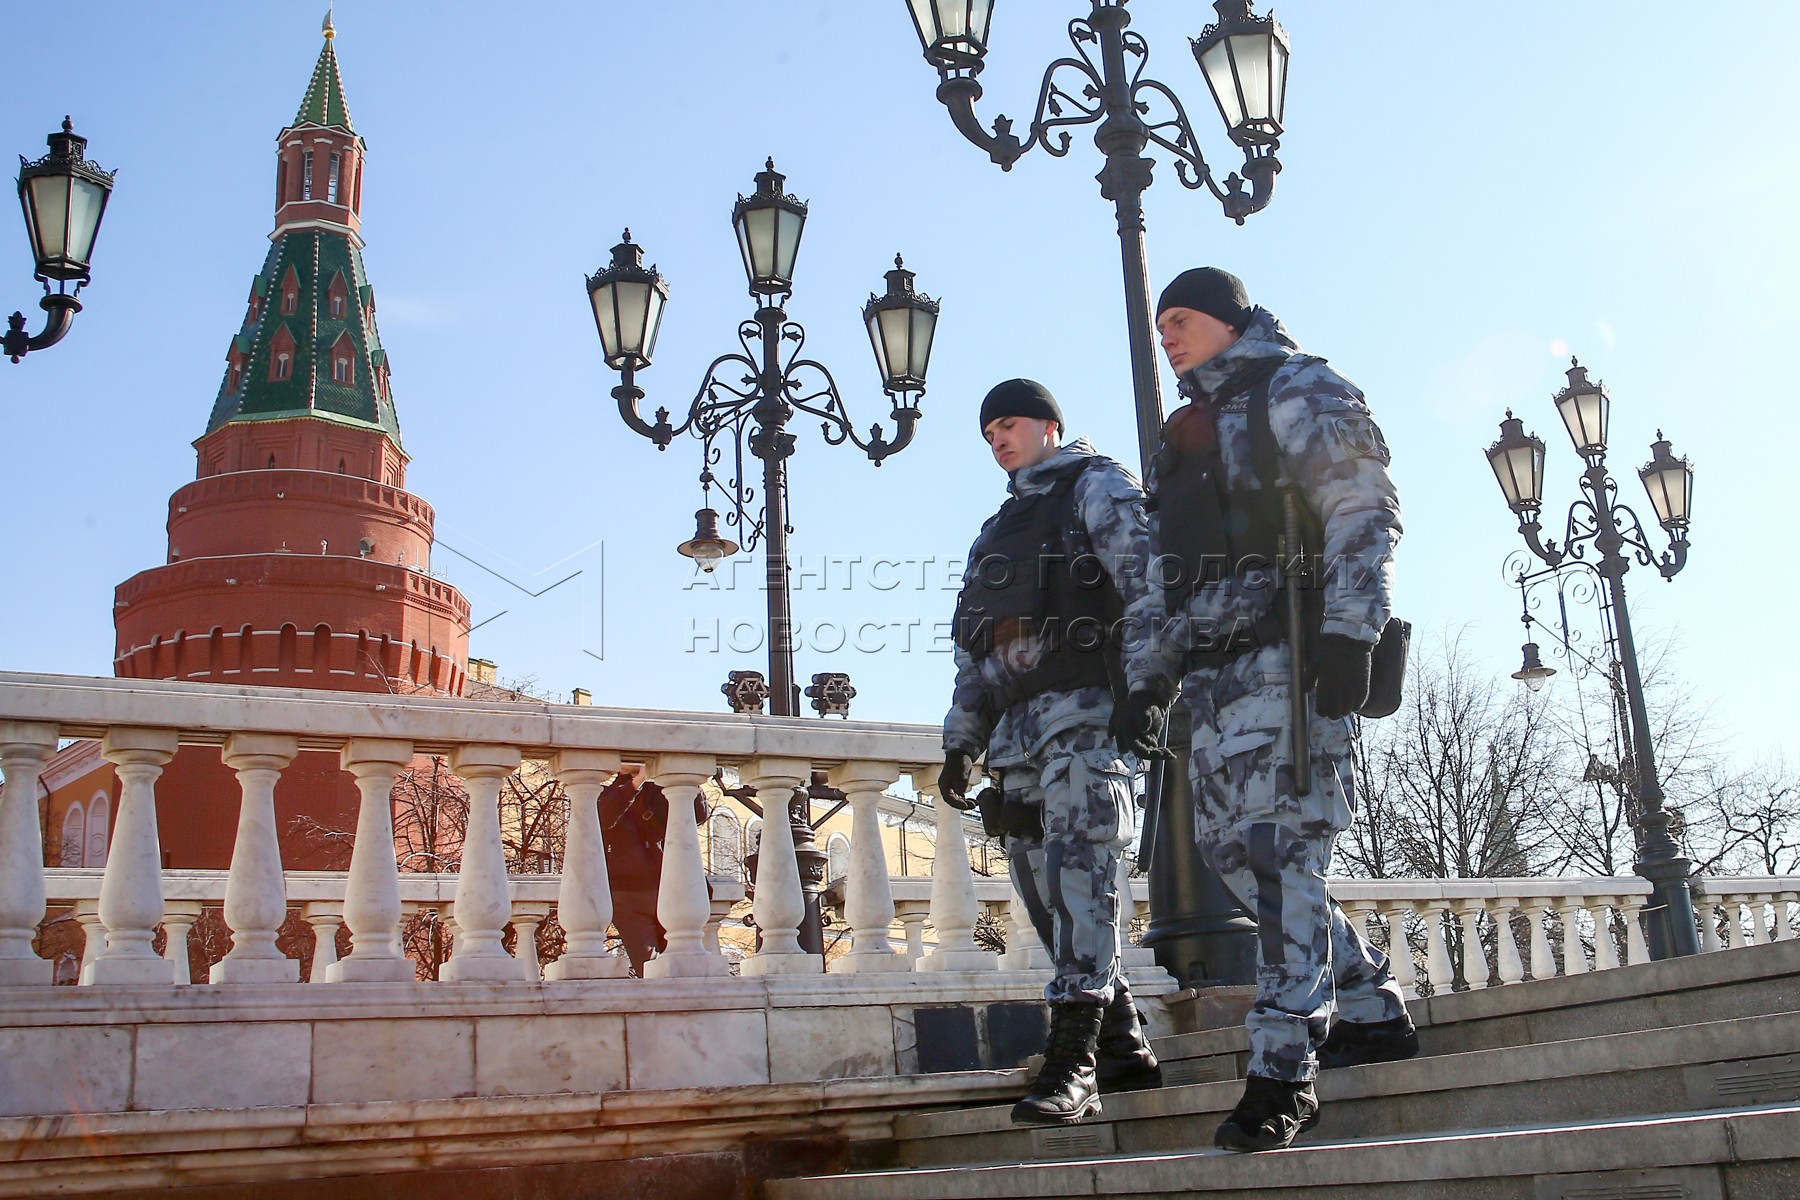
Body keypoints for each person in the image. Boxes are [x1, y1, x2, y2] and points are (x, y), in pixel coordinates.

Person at [1127, 268, 1418, 1153]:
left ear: (1227, 320)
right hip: (1214, 678)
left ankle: (1283, 1069)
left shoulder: (1299, 386)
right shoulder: (1185, 432)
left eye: (1181, 320)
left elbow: (1364, 507)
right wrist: (1149, 678)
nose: (1167, 336)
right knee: (1233, 859)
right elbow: (1172, 571)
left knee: (1280, 850)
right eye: (1160, 324)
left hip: (1293, 655)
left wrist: (1350, 633)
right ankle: (1369, 1004)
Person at [939, 378, 1169, 1127]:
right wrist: (960, 742)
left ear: (1049, 426)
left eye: (1009, 425)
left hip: (1086, 717)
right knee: (1042, 895)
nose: (999, 440)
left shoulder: (1094, 487)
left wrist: (1146, 687)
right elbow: (974, 650)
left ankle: (1075, 1058)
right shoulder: (994, 531)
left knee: (1082, 880)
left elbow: (1146, 583)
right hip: (1015, 740)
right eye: (989, 433)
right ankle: (1124, 1041)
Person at [599, 770, 707, 974]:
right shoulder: (609, 792)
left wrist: (691, 778)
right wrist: (636, 781)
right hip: (630, 896)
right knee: (649, 968)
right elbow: (603, 816)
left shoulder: (661, 787)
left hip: (672, 890)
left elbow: (699, 815)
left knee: (684, 966)